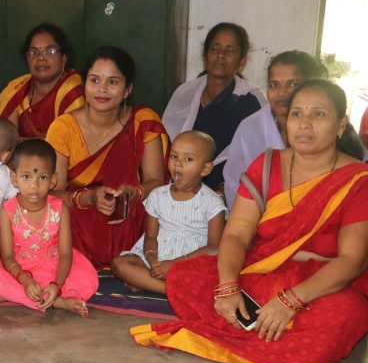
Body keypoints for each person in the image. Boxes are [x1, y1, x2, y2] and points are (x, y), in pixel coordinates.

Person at [131, 80, 368, 363]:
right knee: (184, 275)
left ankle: (249, 331)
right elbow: (237, 233)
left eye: (318, 114)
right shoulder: (267, 164)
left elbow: (351, 261)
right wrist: (228, 286)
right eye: (296, 114)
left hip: (319, 286)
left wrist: (290, 300)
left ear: (341, 124)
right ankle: (267, 333)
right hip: (261, 272)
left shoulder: (358, 180)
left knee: (345, 315)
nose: (304, 124)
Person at [46, 45, 170, 268]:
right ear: (84, 85)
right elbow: (54, 191)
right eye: (94, 80)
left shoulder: (143, 122)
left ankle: (129, 263)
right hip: (80, 215)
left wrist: (134, 193)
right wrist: (89, 198)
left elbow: (156, 182)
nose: (102, 89)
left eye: (113, 82)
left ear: (127, 89)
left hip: (128, 212)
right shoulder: (63, 127)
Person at [0, 139, 97, 316]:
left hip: (55, 265)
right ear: (14, 178)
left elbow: (66, 253)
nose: (34, 186)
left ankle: (29, 297)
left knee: (87, 281)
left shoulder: (60, 207)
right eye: (26, 177)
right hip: (21, 267)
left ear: (53, 180)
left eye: (42, 177)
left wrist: (56, 285)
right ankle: (57, 303)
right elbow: (7, 257)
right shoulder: (8, 210)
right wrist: (25, 279)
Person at [112, 131, 226, 293]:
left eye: (188, 159)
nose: (178, 163)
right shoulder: (158, 196)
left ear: (205, 169)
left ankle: (147, 282)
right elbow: (150, 236)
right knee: (119, 264)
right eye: (174, 156)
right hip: (155, 256)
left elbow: (214, 247)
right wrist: (153, 260)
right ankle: (171, 290)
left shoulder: (212, 202)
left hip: (190, 261)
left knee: (207, 278)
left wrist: (174, 264)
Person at [162, 22, 267, 190]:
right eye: (215, 49)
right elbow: (167, 145)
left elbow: (259, 156)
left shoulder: (251, 100)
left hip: (229, 193)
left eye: (230, 51)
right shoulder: (184, 94)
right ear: (205, 56)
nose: (221, 55)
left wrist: (225, 191)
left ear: (242, 60)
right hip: (180, 189)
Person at [221, 50, 328, 206]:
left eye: (293, 84)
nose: (282, 93)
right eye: (274, 85)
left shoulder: (329, 127)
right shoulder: (250, 128)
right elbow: (233, 184)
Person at [0, 23, 84, 139]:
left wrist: (18, 142)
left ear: (64, 58)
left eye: (50, 51)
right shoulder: (18, 88)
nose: (41, 57)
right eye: (33, 52)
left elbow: (68, 144)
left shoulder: (71, 91)